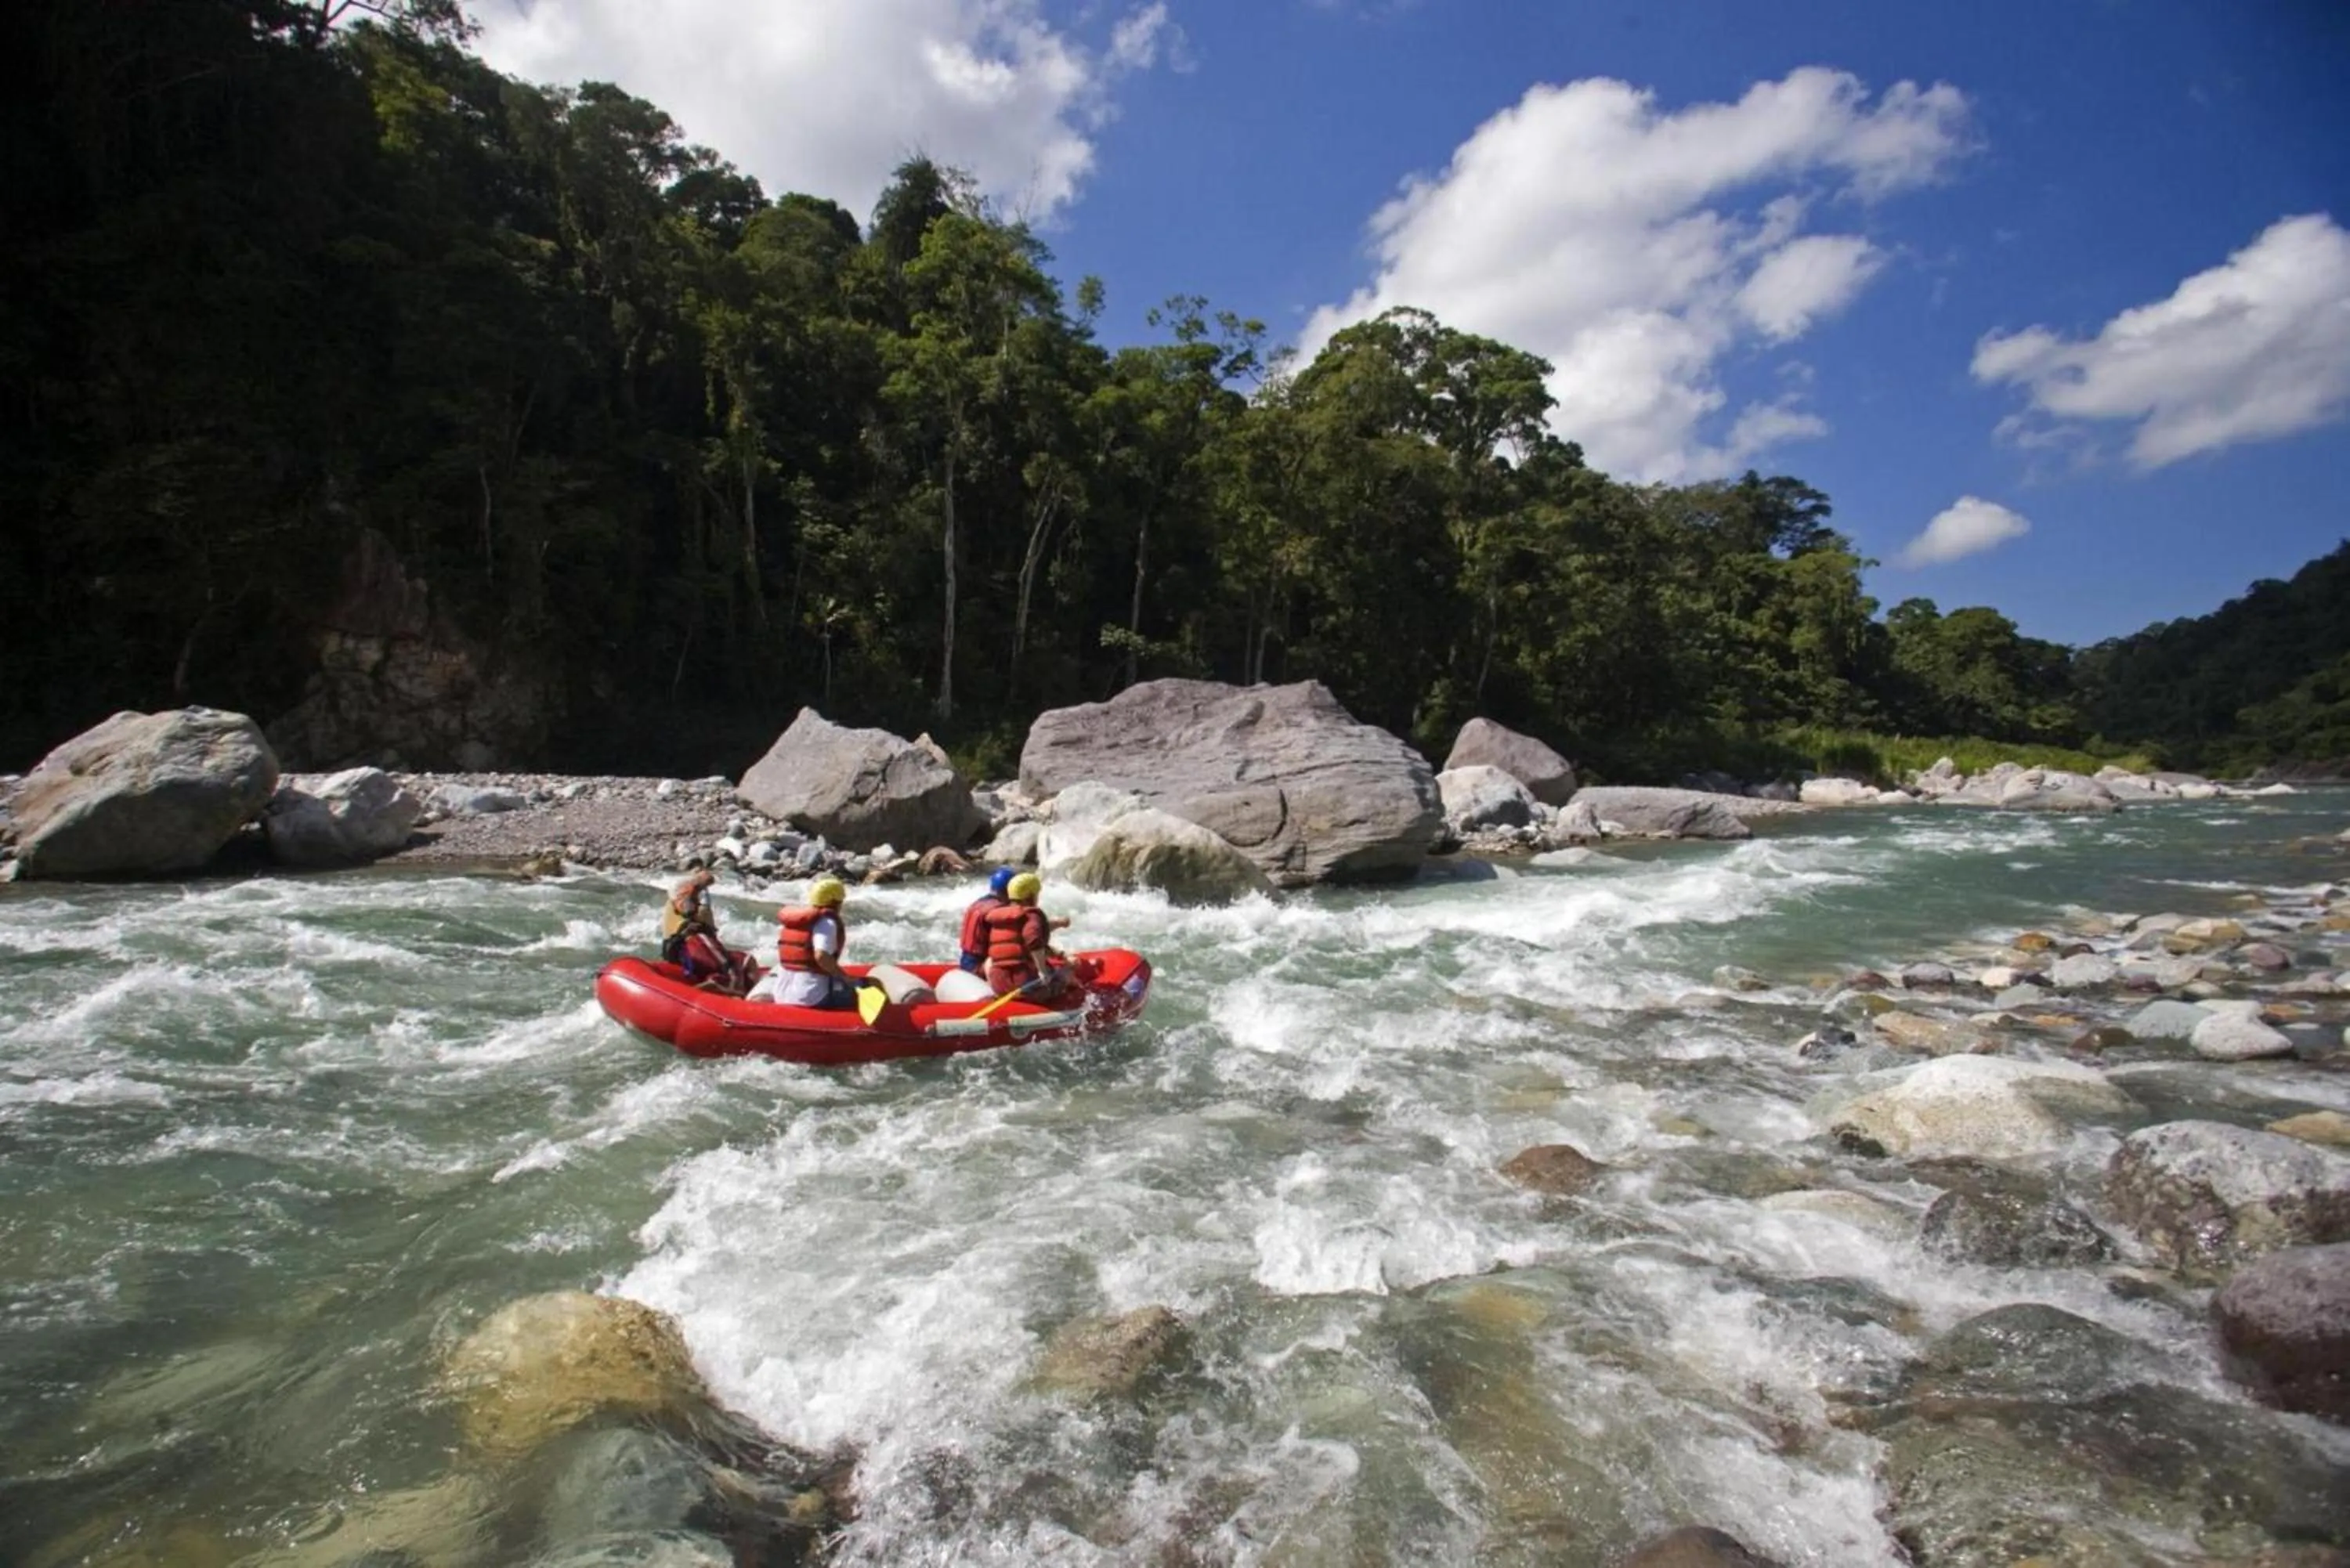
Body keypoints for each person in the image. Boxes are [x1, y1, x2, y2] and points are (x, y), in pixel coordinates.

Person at [977, 871, 1078, 1005]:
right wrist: (1043, 971)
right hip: (1024, 987)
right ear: (1030, 896)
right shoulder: (1032, 915)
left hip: (1000, 986)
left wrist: (1060, 954)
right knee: (1067, 974)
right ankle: (1078, 998)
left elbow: (1020, 944)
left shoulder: (999, 917)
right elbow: (1033, 940)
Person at [660, 862, 755, 995]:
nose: (698, 902)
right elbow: (703, 882)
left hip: (691, 946)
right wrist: (698, 879)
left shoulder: (683, 899)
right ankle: (688, 995)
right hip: (692, 944)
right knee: (731, 972)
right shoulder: (682, 898)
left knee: (746, 960)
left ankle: (749, 994)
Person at [767, 876, 859, 1010]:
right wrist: (845, 978)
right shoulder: (826, 922)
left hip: (781, 993)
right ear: (835, 902)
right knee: (864, 987)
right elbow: (821, 956)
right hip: (810, 997)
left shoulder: (796, 920)